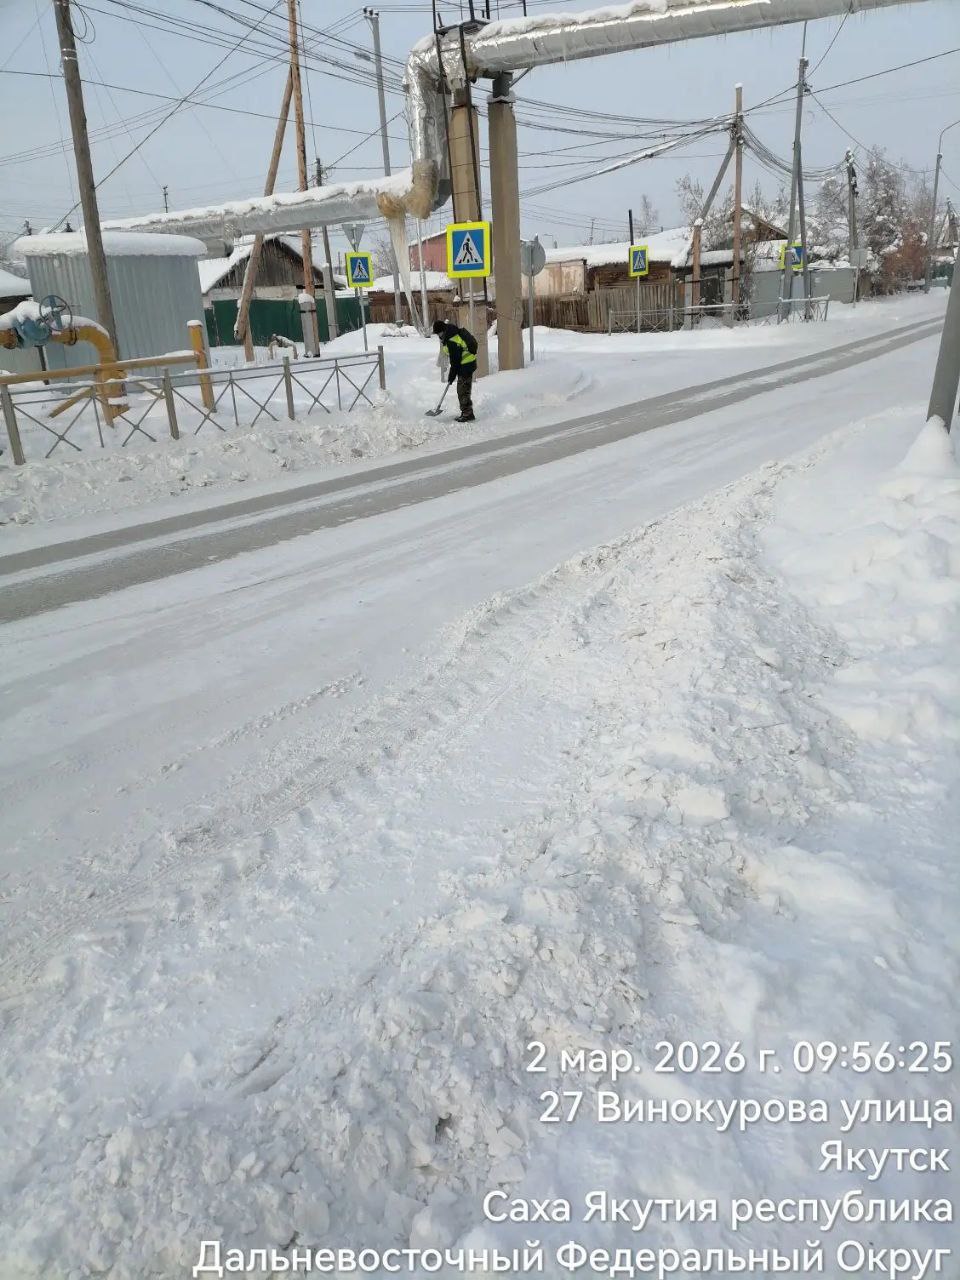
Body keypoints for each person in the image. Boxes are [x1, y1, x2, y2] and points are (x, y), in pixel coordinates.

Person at [433, 319, 477, 422]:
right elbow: (455, 360)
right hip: (464, 364)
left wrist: (451, 376)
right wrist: (453, 375)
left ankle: (468, 414)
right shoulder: (450, 334)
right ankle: (466, 412)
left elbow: (455, 361)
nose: (438, 336)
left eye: (438, 333)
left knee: (462, 390)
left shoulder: (451, 340)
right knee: (463, 390)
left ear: (442, 331)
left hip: (466, 365)